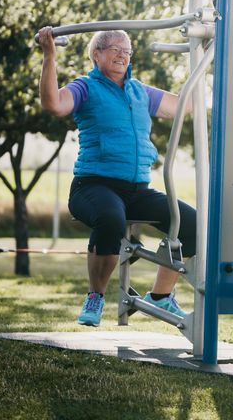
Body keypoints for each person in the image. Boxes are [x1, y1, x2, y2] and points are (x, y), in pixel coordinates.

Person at [37, 27, 196, 327]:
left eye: (127, 50)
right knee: (111, 218)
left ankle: (160, 295)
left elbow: (184, 106)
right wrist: (49, 55)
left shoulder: (139, 91)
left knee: (191, 224)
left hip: (136, 190)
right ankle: (95, 296)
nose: (122, 55)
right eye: (115, 49)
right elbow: (53, 104)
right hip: (93, 186)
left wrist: (199, 57)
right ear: (96, 54)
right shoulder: (85, 87)